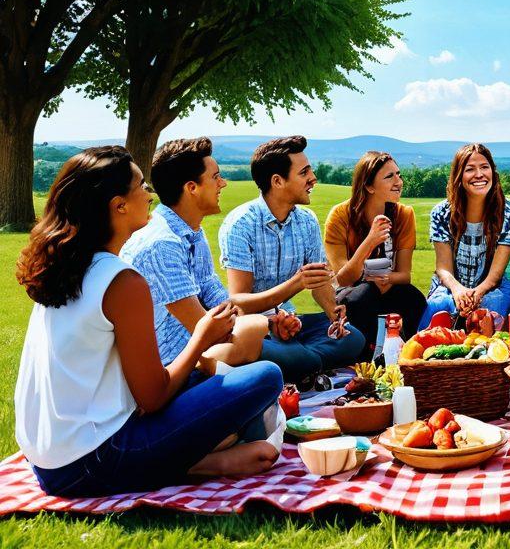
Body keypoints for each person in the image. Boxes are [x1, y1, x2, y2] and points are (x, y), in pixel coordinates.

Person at [15, 146, 283, 497]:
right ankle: (196, 463)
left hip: (48, 460)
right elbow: (153, 398)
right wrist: (200, 338)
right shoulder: (121, 281)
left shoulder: (69, 266)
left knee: (209, 379)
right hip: (92, 462)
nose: (149, 193)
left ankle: (194, 456)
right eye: (141, 185)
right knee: (265, 377)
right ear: (119, 206)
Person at [122, 137, 327, 369]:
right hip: (176, 365)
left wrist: (270, 322)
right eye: (215, 177)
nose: (223, 183)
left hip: (203, 349)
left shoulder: (192, 232)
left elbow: (218, 301)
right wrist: (262, 324)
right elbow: (204, 329)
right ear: (192, 188)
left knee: (297, 352)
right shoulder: (162, 244)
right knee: (281, 364)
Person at [219, 136, 364, 383]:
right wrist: (296, 283)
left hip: (292, 324)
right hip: (258, 329)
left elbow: (319, 282)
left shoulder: (306, 221)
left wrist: (333, 313)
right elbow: (240, 302)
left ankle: (302, 362)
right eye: (304, 172)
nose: (313, 178)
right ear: (277, 181)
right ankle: (305, 363)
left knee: (354, 338)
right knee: (294, 356)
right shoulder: (241, 224)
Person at [325, 151, 426, 345]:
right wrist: (370, 240)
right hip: (351, 292)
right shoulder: (340, 216)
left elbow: (405, 275)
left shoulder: (404, 214)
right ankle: (363, 353)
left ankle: (406, 352)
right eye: (389, 177)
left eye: (399, 174)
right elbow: (343, 279)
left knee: (413, 298)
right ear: (369, 186)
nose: (399, 182)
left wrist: (386, 278)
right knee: (363, 296)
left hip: (388, 285)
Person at [421, 143, 510, 326]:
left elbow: (495, 276)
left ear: (493, 172)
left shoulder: (509, 213)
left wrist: (476, 294)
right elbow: (443, 269)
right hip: (451, 285)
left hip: (492, 288)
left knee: (491, 307)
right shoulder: (441, 213)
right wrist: (458, 291)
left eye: (484, 167)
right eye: (470, 169)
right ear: (459, 176)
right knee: (438, 306)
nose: (479, 174)